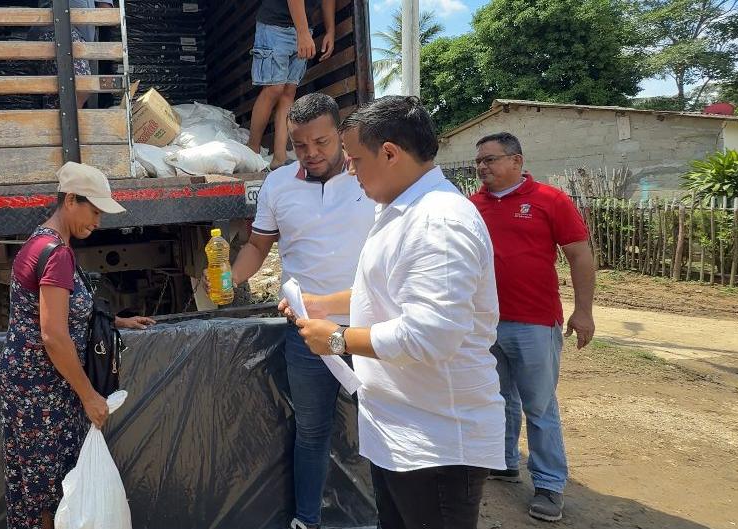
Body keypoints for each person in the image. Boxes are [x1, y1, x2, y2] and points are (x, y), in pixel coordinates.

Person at [286, 96, 505, 529]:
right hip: (402, 431)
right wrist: (320, 305)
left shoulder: (438, 223)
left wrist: (336, 339)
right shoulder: (401, 211)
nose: (350, 170)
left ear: (390, 153)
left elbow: (429, 336)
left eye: (355, 160)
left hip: (436, 443)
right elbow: (383, 292)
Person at [229, 92, 375, 529]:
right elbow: (258, 246)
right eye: (300, 144)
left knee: (385, 426)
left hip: (373, 329)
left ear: (341, 135)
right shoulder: (278, 185)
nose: (311, 153)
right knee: (311, 431)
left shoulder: (370, 179)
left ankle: (388, 514)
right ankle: (306, 520)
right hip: (307, 333)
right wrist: (227, 280)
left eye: (322, 142)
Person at [0, 162, 154, 529]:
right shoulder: (57, 254)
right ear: (70, 200)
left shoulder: (40, 240)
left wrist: (117, 322)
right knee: (52, 494)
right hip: (41, 391)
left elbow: (63, 313)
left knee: (38, 489)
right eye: (94, 210)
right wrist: (89, 396)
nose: (98, 221)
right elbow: (53, 334)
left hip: (30, 385)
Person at [468, 132, 596, 523]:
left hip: (536, 323)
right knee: (497, 399)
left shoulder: (550, 201)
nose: (483, 167)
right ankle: (504, 461)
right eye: (480, 161)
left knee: (539, 406)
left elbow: (579, 254)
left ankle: (549, 484)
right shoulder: (472, 206)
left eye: (490, 160)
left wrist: (584, 311)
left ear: (517, 161)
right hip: (486, 324)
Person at [247, 0, 336, 168]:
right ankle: (252, 149)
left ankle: (279, 157)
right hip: (274, 25)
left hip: (303, 29)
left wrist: (330, 31)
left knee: (289, 92)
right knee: (274, 88)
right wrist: (302, 33)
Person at [36, 0, 115, 108]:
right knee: (79, 86)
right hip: (57, 29)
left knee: (58, 96)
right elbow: (106, 11)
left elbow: (106, 11)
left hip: (77, 39)